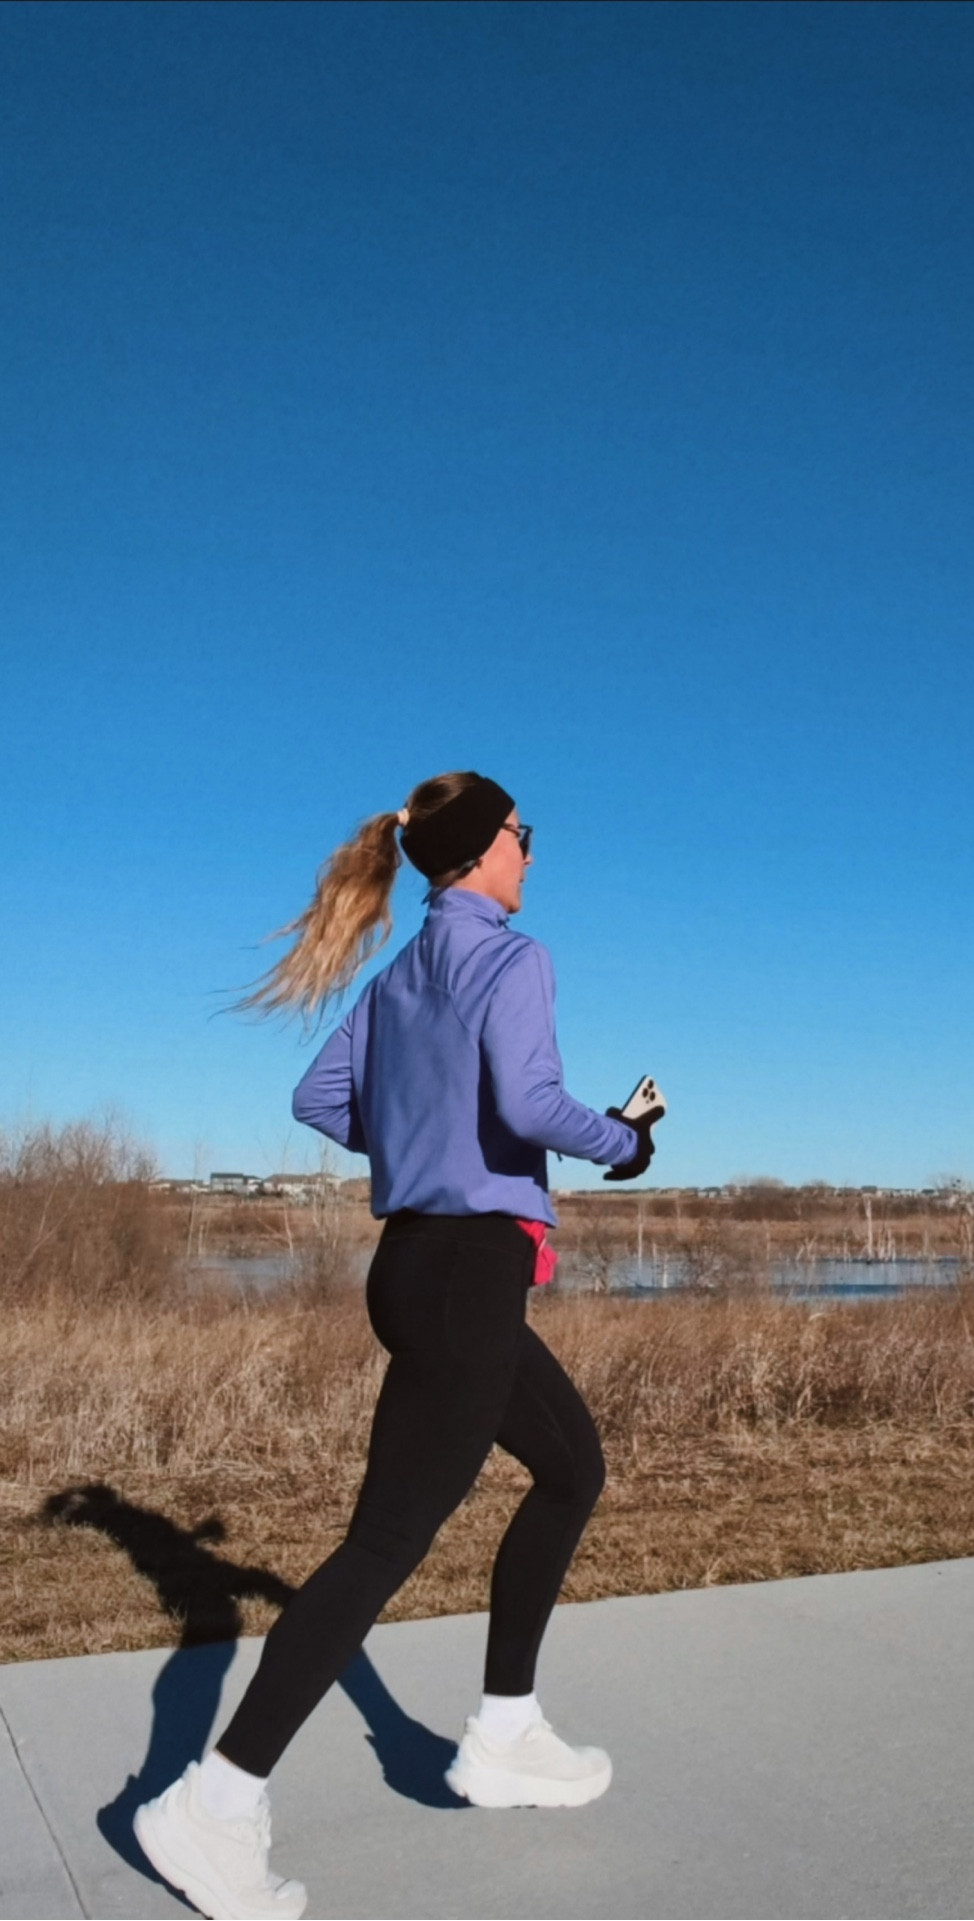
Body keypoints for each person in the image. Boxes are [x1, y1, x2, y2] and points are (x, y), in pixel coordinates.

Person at [134, 771, 663, 1921]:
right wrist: (624, 1141)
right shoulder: (514, 959)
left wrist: (416, 1130)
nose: (533, 852)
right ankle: (213, 1803)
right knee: (380, 1549)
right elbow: (529, 1107)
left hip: (414, 1267)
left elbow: (321, 1097)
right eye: (526, 835)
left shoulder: (400, 973)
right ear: (481, 850)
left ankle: (509, 1727)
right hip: (469, 1273)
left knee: (573, 1467)